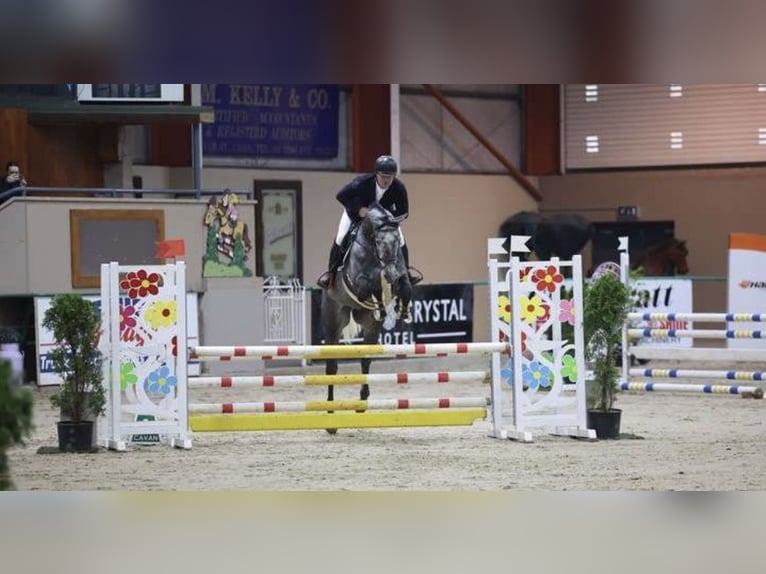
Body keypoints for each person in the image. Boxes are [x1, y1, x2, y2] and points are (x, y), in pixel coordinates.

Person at [317, 154, 422, 289]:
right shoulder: (362, 182)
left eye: (389, 177)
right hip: (356, 215)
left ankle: (406, 273)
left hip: (385, 221)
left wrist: (388, 218)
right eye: (383, 176)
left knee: (400, 240)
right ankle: (330, 273)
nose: (386, 180)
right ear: (376, 174)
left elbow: (404, 212)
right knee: (341, 236)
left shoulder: (399, 188)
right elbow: (341, 195)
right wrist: (359, 208)